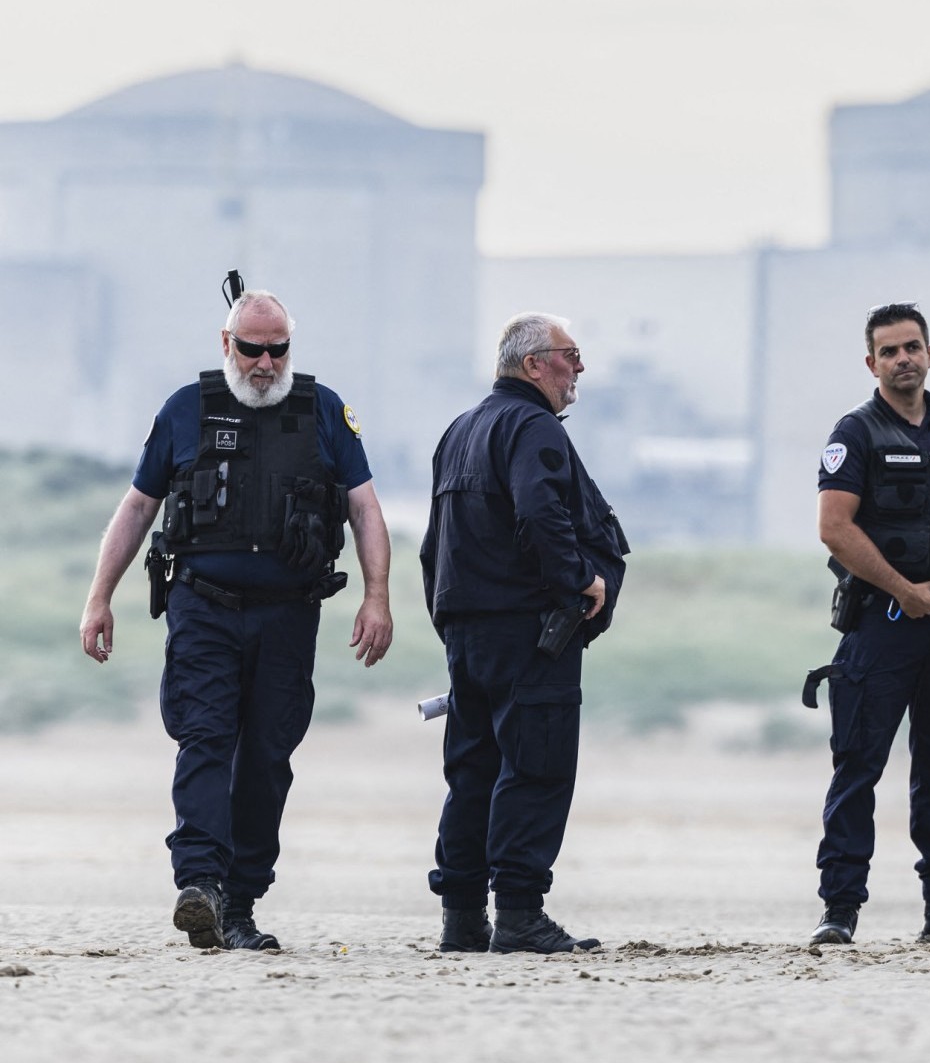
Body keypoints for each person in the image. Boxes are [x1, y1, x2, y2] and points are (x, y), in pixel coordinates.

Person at [79, 288, 393, 951]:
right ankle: (199, 886)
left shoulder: (325, 412)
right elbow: (137, 508)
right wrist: (98, 596)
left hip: (287, 614)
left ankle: (241, 902)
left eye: (278, 349)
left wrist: (376, 595)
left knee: (267, 757)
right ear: (226, 344)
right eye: (251, 348)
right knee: (205, 740)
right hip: (203, 606)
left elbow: (365, 510)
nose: (265, 362)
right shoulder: (184, 410)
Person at [421, 312, 629, 955]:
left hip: (468, 630)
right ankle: (518, 916)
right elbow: (540, 511)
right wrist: (580, 583)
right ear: (535, 363)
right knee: (534, 768)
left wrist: (449, 620)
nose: (580, 370)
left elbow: (435, 545)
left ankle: (462, 921)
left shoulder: (461, 429)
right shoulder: (532, 426)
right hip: (530, 630)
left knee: (473, 771)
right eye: (572, 355)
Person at [806, 302, 930, 946]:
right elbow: (834, 528)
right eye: (889, 351)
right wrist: (903, 591)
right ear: (872, 363)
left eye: (912, 347)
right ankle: (840, 909)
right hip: (882, 625)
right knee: (858, 765)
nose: (903, 360)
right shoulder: (856, 434)